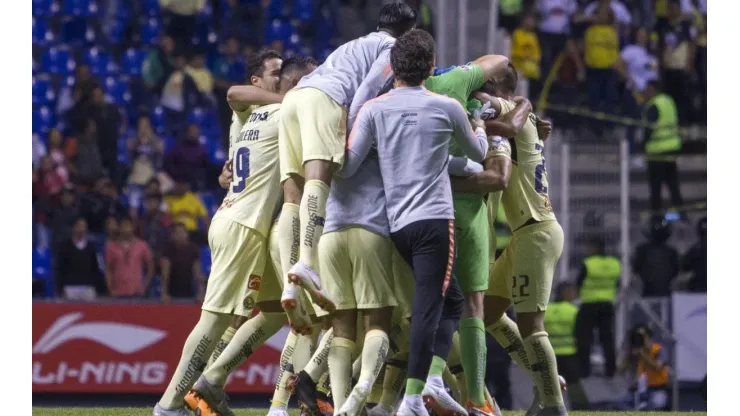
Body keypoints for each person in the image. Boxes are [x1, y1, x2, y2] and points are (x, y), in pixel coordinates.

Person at [153, 55, 317, 416]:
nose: (280, 79)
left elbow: (238, 127)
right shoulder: (281, 112)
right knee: (214, 320)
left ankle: (212, 381)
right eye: (274, 73)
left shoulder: (252, 115)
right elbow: (233, 92)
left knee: (274, 312)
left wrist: (227, 174)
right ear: (258, 80)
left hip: (249, 224)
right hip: (243, 224)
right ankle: (169, 405)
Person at [339, 29, 489, 416]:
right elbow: (479, 153)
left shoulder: (374, 108)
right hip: (436, 222)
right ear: (430, 65)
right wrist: (482, 125)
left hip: (397, 225)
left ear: (394, 67)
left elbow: (350, 164)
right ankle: (411, 399)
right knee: (429, 307)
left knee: (449, 301)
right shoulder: (445, 106)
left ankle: (431, 383)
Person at [276, 3, 418, 328]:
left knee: (292, 192)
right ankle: (307, 264)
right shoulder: (392, 48)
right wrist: (353, 130)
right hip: (325, 99)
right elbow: (368, 88)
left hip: (294, 100)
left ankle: (292, 277)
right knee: (319, 176)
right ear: (407, 32)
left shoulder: (352, 44)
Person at [453, 64, 567, 416]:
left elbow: (501, 121)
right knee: (486, 314)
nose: (477, 91)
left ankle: (553, 403)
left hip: (536, 231)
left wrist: (517, 105)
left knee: (532, 325)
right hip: (526, 234)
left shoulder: (506, 108)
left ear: (497, 87)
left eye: (484, 84)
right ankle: (544, 376)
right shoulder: (521, 114)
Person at [575, 236, 620, 378]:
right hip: (607, 303)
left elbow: (579, 282)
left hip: (589, 304)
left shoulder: (589, 263)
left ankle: (584, 370)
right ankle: (610, 369)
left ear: (595, 248)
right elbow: (617, 283)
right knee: (607, 338)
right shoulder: (615, 263)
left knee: (584, 338)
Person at [545, 283, 590, 410]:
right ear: (566, 293)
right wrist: (584, 361)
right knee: (575, 389)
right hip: (570, 355)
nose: (574, 295)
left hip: (550, 356)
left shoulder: (546, 310)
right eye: (572, 292)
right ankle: (580, 411)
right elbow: (582, 337)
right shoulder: (574, 311)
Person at [641, 80, 683, 212]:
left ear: (653, 90)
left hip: (657, 150)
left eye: (647, 90)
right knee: (673, 184)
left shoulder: (654, 105)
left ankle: (657, 216)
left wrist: (643, 144)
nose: (645, 93)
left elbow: (649, 128)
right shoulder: (668, 101)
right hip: (672, 148)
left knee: (656, 186)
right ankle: (680, 213)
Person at [615, 325, 671, 410]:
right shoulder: (636, 351)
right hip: (640, 391)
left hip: (657, 390)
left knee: (655, 405)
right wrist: (629, 353)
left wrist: (643, 354)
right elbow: (621, 370)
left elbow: (657, 367)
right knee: (620, 402)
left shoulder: (659, 349)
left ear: (648, 337)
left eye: (642, 337)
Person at [104, 217, 154, 297]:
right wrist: (110, 289)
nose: (127, 229)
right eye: (124, 226)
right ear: (119, 227)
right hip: (118, 293)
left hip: (137, 292)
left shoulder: (142, 245)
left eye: (129, 226)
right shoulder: (111, 247)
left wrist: (144, 287)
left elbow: (150, 267)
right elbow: (108, 270)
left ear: (133, 227)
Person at [55, 217, 102, 300]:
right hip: (69, 288)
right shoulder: (65, 246)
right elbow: (60, 268)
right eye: (79, 226)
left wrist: (94, 285)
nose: (81, 229)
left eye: (83, 226)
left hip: (88, 288)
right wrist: (61, 287)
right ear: (74, 228)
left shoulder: (91, 247)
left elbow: (95, 267)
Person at [632, 216, 679, 297]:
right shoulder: (671, 251)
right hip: (658, 292)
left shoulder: (642, 250)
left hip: (653, 292)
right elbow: (676, 271)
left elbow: (636, 268)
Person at [160, 222, 204, 302]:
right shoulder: (168, 249)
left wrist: (200, 293)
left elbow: (197, 274)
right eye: (177, 233)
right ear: (172, 236)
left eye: (183, 232)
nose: (180, 235)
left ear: (187, 234)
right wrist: (164, 293)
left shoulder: (193, 249)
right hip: (171, 293)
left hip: (188, 291)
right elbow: (164, 274)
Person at [681, 217, 706, 293]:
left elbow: (684, 266)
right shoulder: (696, 249)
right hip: (699, 287)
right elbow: (684, 266)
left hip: (699, 287)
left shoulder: (696, 248)